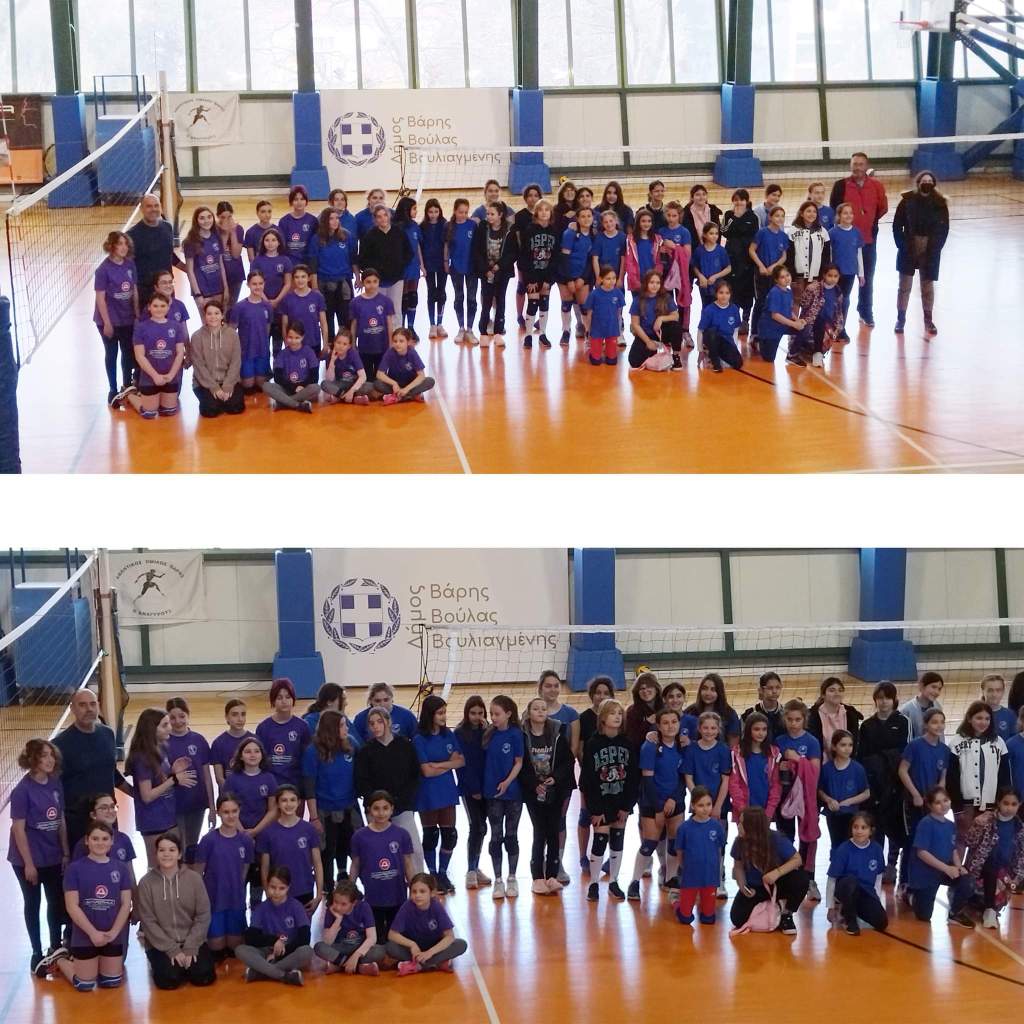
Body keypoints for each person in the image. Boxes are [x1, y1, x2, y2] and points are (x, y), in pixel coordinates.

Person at [34, 821, 132, 989]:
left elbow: (125, 904)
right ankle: (60, 960)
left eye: (105, 839)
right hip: (85, 935)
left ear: (112, 841)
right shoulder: (74, 869)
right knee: (85, 984)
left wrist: (114, 932)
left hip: (111, 934)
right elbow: (72, 906)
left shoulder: (121, 869)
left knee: (111, 982)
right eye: (95, 838)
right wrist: (92, 933)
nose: (100, 843)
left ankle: (96, 964)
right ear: (87, 841)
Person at [9, 739, 68, 973]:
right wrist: (29, 864)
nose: (50, 759)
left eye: (51, 755)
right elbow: (18, 829)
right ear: (32, 759)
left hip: (52, 856)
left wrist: (65, 852)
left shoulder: (55, 783)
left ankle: (55, 947)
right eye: (44, 755)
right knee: (33, 903)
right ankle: (36, 952)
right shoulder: (22, 791)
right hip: (27, 859)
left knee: (55, 901)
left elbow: (60, 819)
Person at [53, 688, 130, 852]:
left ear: (98, 706)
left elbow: (111, 772)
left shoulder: (107, 734)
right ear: (72, 708)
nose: (89, 709)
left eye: (92, 704)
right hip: (78, 823)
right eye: (82, 705)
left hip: (107, 816)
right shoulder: (60, 745)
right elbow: (54, 788)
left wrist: (138, 795)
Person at [137, 831, 216, 989]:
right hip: (161, 944)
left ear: (179, 854)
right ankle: (170, 966)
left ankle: (185, 965)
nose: (167, 854)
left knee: (204, 977)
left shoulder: (194, 879)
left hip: (191, 940)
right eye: (162, 850)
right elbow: (148, 921)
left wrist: (191, 946)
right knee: (169, 980)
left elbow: (203, 915)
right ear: (156, 854)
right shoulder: (146, 883)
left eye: (172, 850)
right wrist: (171, 949)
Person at [354, 705, 425, 871]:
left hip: (402, 807)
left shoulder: (405, 745)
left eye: (379, 721)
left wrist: (400, 801)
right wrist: (377, 804)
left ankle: (418, 882)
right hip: (376, 810)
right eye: (372, 723)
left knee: (414, 849)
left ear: (388, 722)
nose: (376, 726)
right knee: (380, 852)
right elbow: (362, 782)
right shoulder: (366, 751)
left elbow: (414, 776)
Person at [581, 698, 638, 903]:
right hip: (601, 802)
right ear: (602, 718)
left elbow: (633, 778)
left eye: (620, 713)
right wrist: (595, 809)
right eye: (612, 713)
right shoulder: (593, 743)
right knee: (600, 839)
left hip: (620, 801)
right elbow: (587, 779)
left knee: (617, 839)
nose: (617, 717)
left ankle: (613, 881)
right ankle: (594, 882)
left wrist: (627, 806)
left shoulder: (627, 743)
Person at [629, 707, 687, 902]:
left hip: (675, 801)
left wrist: (674, 799)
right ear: (658, 726)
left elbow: (682, 777)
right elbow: (647, 781)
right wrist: (659, 808)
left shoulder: (683, 746)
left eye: (674, 722)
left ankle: (670, 879)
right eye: (665, 723)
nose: (670, 726)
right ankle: (634, 882)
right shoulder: (650, 747)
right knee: (650, 843)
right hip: (652, 802)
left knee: (675, 842)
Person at [127, 707, 196, 867]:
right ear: (152, 729)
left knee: (175, 863)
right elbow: (147, 796)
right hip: (153, 820)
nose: (170, 728)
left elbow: (159, 780)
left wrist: (172, 771)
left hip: (168, 816)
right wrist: (174, 779)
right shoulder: (142, 758)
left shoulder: (162, 747)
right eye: (164, 725)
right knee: (157, 867)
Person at [302, 710, 362, 893]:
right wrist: (314, 818)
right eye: (342, 725)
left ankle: (353, 888)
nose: (346, 729)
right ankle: (328, 891)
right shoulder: (313, 751)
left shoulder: (351, 744)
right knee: (327, 852)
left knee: (356, 848)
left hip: (349, 807)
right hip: (325, 810)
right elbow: (309, 787)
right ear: (331, 728)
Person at [520, 696, 574, 895]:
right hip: (534, 791)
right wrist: (534, 784)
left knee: (554, 831)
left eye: (543, 708)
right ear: (529, 713)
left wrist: (555, 778)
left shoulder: (557, 733)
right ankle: (537, 877)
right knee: (539, 832)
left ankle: (552, 875)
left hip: (554, 789)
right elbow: (521, 765)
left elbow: (567, 761)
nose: (541, 711)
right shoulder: (523, 736)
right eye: (536, 708)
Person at [828, 152, 888, 328]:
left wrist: (867, 222)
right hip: (844, 244)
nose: (858, 167)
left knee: (866, 278)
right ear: (850, 165)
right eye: (854, 164)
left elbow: (882, 208)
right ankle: (836, 318)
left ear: (866, 166)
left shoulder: (876, 185)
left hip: (867, 241)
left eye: (861, 164)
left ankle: (865, 311)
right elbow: (834, 209)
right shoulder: (840, 185)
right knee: (839, 281)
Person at [857, 682, 910, 882]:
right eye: (880, 698)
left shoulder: (903, 722)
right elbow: (863, 756)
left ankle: (891, 865)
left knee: (895, 828)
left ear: (894, 700)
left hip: (895, 784)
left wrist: (885, 759)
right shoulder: (867, 725)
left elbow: (904, 752)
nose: (884, 702)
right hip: (875, 785)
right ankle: (876, 865)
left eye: (887, 697)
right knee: (876, 826)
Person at [411, 696, 463, 894]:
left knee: (450, 835)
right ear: (430, 714)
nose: (444, 716)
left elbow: (460, 761)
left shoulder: (448, 734)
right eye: (440, 713)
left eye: (444, 712)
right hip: (428, 792)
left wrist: (439, 765)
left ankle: (442, 873)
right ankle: (432, 875)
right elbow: (426, 772)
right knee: (431, 835)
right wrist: (448, 764)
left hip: (447, 790)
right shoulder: (419, 739)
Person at [730, 805, 808, 935]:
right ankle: (772, 907)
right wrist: (743, 886)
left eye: (742, 823)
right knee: (738, 918)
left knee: (801, 879)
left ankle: (786, 913)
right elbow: (738, 867)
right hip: (756, 887)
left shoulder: (777, 838)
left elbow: (797, 859)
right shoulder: (739, 842)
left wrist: (777, 873)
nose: (738, 826)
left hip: (777, 883)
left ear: (753, 827)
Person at [349, 790, 415, 938]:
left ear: (392, 809)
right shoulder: (360, 836)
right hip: (373, 896)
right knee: (377, 939)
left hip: (398, 895)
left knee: (396, 937)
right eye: (376, 808)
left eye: (385, 808)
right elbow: (355, 864)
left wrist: (414, 887)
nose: (381, 813)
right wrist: (350, 888)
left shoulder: (402, 834)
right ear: (369, 810)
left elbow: (408, 863)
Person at [906, 786, 975, 927]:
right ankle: (913, 895)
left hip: (942, 871)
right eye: (938, 802)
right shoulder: (926, 823)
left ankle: (955, 913)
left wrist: (959, 866)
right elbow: (921, 852)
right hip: (925, 875)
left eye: (945, 800)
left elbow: (953, 849)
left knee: (967, 881)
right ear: (930, 805)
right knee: (924, 916)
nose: (943, 805)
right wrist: (946, 868)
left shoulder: (950, 825)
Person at [774, 699, 822, 899]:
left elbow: (815, 772)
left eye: (798, 719)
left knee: (807, 838)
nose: (793, 723)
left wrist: (797, 760)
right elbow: (771, 769)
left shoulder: (811, 742)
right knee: (785, 836)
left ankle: (808, 878)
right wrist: (780, 767)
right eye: (790, 719)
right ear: (784, 719)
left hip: (806, 798)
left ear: (804, 720)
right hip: (785, 796)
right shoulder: (779, 741)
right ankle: (787, 878)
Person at [897, 706, 949, 892]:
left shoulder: (944, 750)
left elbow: (943, 777)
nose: (939, 726)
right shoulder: (915, 746)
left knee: (929, 844)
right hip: (914, 803)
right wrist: (915, 794)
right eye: (934, 722)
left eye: (942, 722)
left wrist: (940, 799)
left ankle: (924, 881)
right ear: (925, 724)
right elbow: (902, 771)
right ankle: (905, 882)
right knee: (913, 842)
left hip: (932, 804)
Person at [224, 738, 279, 908]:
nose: (252, 755)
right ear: (240, 756)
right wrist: (242, 832)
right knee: (240, 872)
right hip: (237, 834)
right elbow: (227, 808)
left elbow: (273, 810)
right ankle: (237, 907)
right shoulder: (233, 780)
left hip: (262, 834)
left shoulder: (269, 778)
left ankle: (256, 907)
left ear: (262, 755)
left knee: (258, 872)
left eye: (256, 751)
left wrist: (255, 831)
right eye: (248, 751)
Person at [892, 170, 948, 335]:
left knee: (927, 286)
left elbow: (944, 229)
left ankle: (928, 320)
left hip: (930, 247)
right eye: (924, 181)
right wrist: (902, 245)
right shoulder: (907, 201)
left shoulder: (940, 203)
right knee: (904, 285)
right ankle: (900, 319)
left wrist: (936, 248)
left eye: (930, 181)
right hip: (909, 245)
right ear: (918, 183)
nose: (927, 183)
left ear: (934, 184)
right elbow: (897, 226)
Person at [235, 865, 313, 984]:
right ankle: (284, 975)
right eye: (273, 887)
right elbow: (251, 937)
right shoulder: (261, 908)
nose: (276, 892)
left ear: (288, 888)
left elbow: (305, 938)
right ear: (267, 885)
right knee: (240, 950)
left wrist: (280, 954)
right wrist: (275, 940)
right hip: (266, 951)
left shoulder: (296, 907)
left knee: (307, 951)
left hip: (289, 951)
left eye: (282, 888)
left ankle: (261, 972)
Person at [947, 701, 1009, 846]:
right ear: (969, 718)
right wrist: (957, 808)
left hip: (990, 806)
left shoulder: (999, 742)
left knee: (987, 844)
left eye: (987, 718)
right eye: (979, 718)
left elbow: (1004, 777)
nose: (983, 722)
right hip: (965, 805)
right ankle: (958, 862)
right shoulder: (956, 742)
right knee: (962, 841)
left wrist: (999, 804)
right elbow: (952, 778)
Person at [963, 787, 1024, 929]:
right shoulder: (987, 820)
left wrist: (1016, 879)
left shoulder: (1019, 827)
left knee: (997, 892)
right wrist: (977, 825)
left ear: (1019, 805)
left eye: (1014, 804)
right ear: (998, 802)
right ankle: (988, 910)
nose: (1009, 808)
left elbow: (1021, 855)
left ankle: (987, 905)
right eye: (1006, 803)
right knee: (991, 867)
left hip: (1004, 871)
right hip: (981, 868)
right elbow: (969, 842)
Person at [165, 697, 216, 863]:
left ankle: (190, 875)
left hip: (197, 803)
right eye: (173, 717)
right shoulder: (164, 742)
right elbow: (159, 777)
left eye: (182, 716)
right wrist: (173, 775)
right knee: (178, 845)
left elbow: (207, 776)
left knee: (192, 846)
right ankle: (178, 875)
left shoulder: (198, 740)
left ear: (188, 716)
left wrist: (212, 806)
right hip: (175, 804)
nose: (178, 721)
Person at [483, 696, 524, 900]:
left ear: (508, 714)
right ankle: (498, 879)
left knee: (511, 835)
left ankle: (512, 877)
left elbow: (519, 762)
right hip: (492, 793)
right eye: (491, 714)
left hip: (512, 792)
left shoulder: (516, 734)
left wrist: (507, 782)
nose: (493, 717)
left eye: (497, 714)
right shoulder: (488, 734)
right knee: (496, 836)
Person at [256, 784, 323, 911]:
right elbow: (265, 868)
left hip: (304, 890)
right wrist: (268, 893)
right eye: (284, 800)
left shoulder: (308, 829)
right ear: (277, 804)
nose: (289, 804)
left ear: (299, 802)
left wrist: (319, 894)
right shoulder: (268, 833)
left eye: (292, 800)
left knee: (303, 924)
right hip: (278, 892)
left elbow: (317, 863)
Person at [386, 873, 468, 976]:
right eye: (414, 891)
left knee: (461, 944)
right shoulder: (407, 907)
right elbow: (392, 934)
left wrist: (430, 952)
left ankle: (417, 965)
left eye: (422, 891)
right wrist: (412, 945)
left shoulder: (436, 907)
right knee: (390, 947)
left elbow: (450, 936)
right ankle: (436, 963)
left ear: (432, 893)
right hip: (414, 950)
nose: (417, 895)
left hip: (434, 947)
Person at [94, 230, 139, 405]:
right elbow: (100, 298)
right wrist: (107, 323)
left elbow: (134, 290)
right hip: (108, 320)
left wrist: (136, 313)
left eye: (126, 244)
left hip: (126, 318)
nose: (124, 247)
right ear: (111, 246)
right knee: (111, 353)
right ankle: (112, 389)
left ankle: (127, 386)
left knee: (127, 352)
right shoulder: (103, 270)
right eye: (120, 244)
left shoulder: (130, 264)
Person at [125, 293, 186, 419]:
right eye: (155, 306)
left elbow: (180, 353)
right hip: (149, 377)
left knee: (169, 411)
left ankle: (156, 398)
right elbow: (139, 356)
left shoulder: (176, 326)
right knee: (149, 413)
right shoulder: (141, 327)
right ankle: (129, 394)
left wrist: (171, 375)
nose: (159, 309)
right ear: (149, 307)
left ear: (168, 307)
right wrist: (155, 376)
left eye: (163, 306)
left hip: (169, 376)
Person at [577, 677, 616, 875]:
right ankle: (583, 857)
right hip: (590, 776)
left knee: (610, 816)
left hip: (611, 778)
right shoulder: (584, 718)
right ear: (592, 695)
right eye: (598, 693)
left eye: (605, 693)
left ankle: (610, 857)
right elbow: (580, 749)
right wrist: (591, 770)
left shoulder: (616, 716)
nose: (601, 696)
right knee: (586, 815)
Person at [825, 811, 887, 935]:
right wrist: (830, 907)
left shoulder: (877, 849)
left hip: (865, 892)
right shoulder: (844, 849)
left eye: (863, 828)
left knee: (881, 922)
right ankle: (850, 919)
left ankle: (853, 910)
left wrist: (876, 900)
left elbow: (878, 878)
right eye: (856, 827)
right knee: (851, 882)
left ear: (871, 831)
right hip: (845, 889)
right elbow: (832, 879)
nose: (859, 831)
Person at [454, 695, 492, 890]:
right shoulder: (460, 733)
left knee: (483, 828)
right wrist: (474, 788)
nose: (477, 717)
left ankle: (476, 867)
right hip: (470, 789)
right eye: (473, 713)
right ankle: (470, 870)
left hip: (488, 788)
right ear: (466, 713)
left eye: (480, 713)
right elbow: (462, 766)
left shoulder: (488, 731)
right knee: (476, 826)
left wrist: (488, 731)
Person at [673, 786, 726, 925]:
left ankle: (705, 909)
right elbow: (679, 851)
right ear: (693, 806)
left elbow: (719, 850)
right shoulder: (684, 828)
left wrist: (716, 868)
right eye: (700, 805)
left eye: (708, 804)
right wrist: (684, 867)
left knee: (708, 918)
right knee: (685, 919)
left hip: (710, 875)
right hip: (690, 875)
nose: (705, 809)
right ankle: (677, 904)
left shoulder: (717, 826)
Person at [313, 879, 385, 975]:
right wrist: (338, 920)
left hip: (359, 947)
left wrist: (356, 955)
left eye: (343, 904)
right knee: (319, 947)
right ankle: (358, 967)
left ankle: (339, 966)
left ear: (354, 903)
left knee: (380, 951)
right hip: (340, 948)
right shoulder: (331, 910)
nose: (338, 907)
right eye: (336, 902)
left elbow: (372, 938)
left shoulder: (364, 907)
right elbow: (327, 942)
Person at [472, 201, 519, 346]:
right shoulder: (482, 228)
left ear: (500, 215)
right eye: (487, 214)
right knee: (486, 301)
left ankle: (498, 332)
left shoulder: (509, 230)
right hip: (486, 272)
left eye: (492, 214)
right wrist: (486, 269)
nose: (489, 216)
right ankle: (483, 333)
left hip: (502, 272)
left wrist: (499, 266)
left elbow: (513, 253)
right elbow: (477, 251)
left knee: (500, 300)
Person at [255, 678, 313, 794]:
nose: (284, 701)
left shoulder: (302, 727)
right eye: (279, 698)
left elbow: (307, 758)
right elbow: (259, 761)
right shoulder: (263, 728)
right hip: (272, 786)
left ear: (293, 699)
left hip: (295, 785)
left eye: (288, 697)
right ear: (273, 701)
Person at [358, 204, 412, 320]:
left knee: (395, 308)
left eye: (385, 215)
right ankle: (380, 331)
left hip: (397, 278)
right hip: (378, 281)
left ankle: (396, 331)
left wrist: (400, 266)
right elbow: (362, 259)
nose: (383, 219)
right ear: (375, 219)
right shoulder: (370, 236)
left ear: (389, 216)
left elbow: (409, 252)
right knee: (379, 309)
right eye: (379, 216)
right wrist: (373, 273)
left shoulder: (399, 232)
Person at [818, 729, 871, 850]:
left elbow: (866, 792)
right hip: (833, 814)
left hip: (852, 815)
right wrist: (829, 800)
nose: (847, 749)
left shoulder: (858, 769)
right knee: (836, 845)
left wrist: (849, 801)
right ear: (834, 747)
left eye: (850, 745)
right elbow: (820, 790)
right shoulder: (827, 769)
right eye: (843, 745)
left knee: (851, 845)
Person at [127, 193, 184, 304]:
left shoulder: (167, 227)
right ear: (141, 209)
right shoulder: (132, 235)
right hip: (145, 291)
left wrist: (188, 269)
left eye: (156, 205)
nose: (153, 209)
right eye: (149, 206)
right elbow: (127, 266)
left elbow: (169, 254)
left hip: (166, 287)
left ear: (160, 207)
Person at [749, 205, 791, 352]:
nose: (780, 218)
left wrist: (774, 267)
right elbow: (752, 250)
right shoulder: (762, 233)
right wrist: (761, 266)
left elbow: (784, 256)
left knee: (772, 304)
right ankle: (754, 334)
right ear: (770, 217)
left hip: (775, 275)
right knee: (760, 302)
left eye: (782, 216)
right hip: (761, 274)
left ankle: (768, 332)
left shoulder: (783, 236)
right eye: (777, 215)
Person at [192, 300, 245, 416]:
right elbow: (199, 366)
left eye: (216, 313)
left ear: (222, 315)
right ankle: (215, 401)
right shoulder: (196, 336)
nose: (213, 317)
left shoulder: (232, 334)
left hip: (228, 381)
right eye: (209, 314)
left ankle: (221, 401)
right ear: (205, 316)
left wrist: (228, 385)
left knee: (236, 408)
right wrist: (214, 387)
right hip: (205, 383)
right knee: (210, 411)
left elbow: (236, 362)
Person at [309, 208, 354, 344]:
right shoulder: (317, 239)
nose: (335, 221)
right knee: (327, 318)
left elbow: (352, 259)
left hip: (344, 283)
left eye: (337, 218)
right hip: (324, 283)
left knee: (345, 318)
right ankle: (329, 347)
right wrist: (315, 286)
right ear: (325, 221)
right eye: (331, 218)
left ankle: (345, 348)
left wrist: (357, 277)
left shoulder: (346, 236)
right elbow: (313, 264)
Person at [519, 199, 559, 349]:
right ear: (536, 213)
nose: (544, 212)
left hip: (546, 274)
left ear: (551, 213)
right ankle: (528, 335)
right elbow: (524, 256)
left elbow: (555, 257)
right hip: (532, 275)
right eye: (540, 210)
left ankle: (542, 334)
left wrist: (549, 279)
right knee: (533, 303)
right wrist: (531, 279)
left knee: (544, 302)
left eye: (547, 210)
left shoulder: (554, 231)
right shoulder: (529, 230)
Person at [729, 712, 781, 821]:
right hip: (743, 811)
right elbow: (734, 784)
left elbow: (776, 785)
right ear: (748, 730)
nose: (761, 733)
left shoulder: (774, 753)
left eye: (764, 729)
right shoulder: (737, 753)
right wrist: (742, 809)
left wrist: (769, 812)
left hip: (765, 811)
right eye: (756, 729)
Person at [721, 188, 759, 333]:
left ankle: (745, 320)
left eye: (742, 199)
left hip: (747, 260)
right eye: (736, 200)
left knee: (747, 291)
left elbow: (753, 235)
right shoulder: (729, 215)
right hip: (732, 258)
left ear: (747, 201)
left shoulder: (752, 217)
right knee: (733, 289)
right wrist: (735, 217)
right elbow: (724, 231)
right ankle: (734, 319)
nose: (739, 202)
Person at [791, 263, 844, 367]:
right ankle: (794, 352)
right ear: (824, 275)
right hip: (810, 321)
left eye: (835, 276)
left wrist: (837, 328)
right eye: (830, 275)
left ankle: (817, 352)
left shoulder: (838, 292)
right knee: (811, 327)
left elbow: (838, 312)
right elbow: (803, 303)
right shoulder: (813, 288)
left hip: (828, 324)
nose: (833, 279)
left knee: (828, 336)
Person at [627, 269, 681, 370]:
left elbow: (676, 315)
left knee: (676, 327)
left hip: (661, 333)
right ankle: (653, 352)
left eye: (657, 283)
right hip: (646, 334)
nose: (655, 285)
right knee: (634, 361)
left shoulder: (666, 297)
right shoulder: (638, 300)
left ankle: (675, 356)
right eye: (652, 282)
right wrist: (648, 342)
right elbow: (635, 324)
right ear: (646, 283)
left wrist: (661, 318)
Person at [556, 206, 594, 346]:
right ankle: (566, 331)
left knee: (584, 306)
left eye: (589, 216)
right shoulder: (570, 233)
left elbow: (590, 260)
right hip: (565, 274)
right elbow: (564, 258)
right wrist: (569, 280)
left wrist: (582, 278)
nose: (586, 219)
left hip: (582, 275)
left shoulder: (593, 235)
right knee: (566, 304)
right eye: (582, 216)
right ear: (577, 219)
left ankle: (588, 333)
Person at [348, 269, 395, 383]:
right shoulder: (355, 302)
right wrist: (353, 344)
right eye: (368, 282)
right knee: (367, 380)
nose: (372, 285)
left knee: (380, 379)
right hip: (364, 347)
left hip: (382, 346)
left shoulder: (386, 301)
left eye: (375, 281)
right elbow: (354, 325)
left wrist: (390, 344)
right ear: (363, 283)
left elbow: (389, 324)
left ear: (379, 282)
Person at [262, 321, 320, 412]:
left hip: (302, 389)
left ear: (302, 337)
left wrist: (302, 386)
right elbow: (277, 378)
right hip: (286, 388)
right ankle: (297, 405)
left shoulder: (309, 352)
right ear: (286, 337)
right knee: (266, 386)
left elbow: (314, 377)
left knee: (316, 388)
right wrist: (292, 387)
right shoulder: (282, 354)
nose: (293, 341)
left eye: (297, 338)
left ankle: (283, 402)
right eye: (290, 337)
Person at [827, 203, 864, 342]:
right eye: (845, 213)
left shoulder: (856, 232)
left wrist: (861, 273)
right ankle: (830, 327)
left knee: (845, 299)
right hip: (835, 274)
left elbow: (859, 254)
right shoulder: (833, 233)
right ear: (839, 216)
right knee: (833, 299)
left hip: (850, 272)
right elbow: (830, 254)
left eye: (851, 213)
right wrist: (829, 272)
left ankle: (841, 328)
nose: (848, 215)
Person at [251, 228, 293, 352]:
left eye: (274, 240)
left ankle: (277, 361)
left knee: (278, 340)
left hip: (280, 305)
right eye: (267, 240)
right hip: (262, 304)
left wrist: (276, 300)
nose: (270, 243)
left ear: (279, 242)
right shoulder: (257, 261)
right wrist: (266, 300)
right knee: (263, 339)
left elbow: (288, 283)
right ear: (263, 242)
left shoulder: (285, 260)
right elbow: (255, 283)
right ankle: (264, 361)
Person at [785, 201, 832, 311]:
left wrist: (822, 276)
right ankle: (794, 323)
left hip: (815, 277)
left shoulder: (823, 232)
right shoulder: (793, 231)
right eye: (808, 211)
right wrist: (791, 276)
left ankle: (807, 323)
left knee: (811, 304)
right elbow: (789, 255)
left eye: (814, 212)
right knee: (796, 302)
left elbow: (826, 257)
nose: (812, 214)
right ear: (801, 213)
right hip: (798, 276)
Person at [444, 198, 479, 344]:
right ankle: (461, 328)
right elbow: (446, 245)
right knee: (459, 297)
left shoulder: (472, 225)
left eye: (465, 212)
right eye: (460, 212)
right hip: (456, 267)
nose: (463, 215)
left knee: (471, 298)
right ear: (454, 211)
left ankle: (470, 329)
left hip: (472, 267)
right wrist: (446, 261)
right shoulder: (449, 226)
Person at [756, 266, 805, 366]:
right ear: (776, 280)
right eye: (782, 277)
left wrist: (797, 320)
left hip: (783, 325)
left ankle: (792, 354)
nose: (786, 279)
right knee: (769, 358)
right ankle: (758, 341)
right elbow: (775, 315)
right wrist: (793, 324)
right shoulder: (775, 292)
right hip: (770, 329)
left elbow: (789, 310)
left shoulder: (789, 291)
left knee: (804, 328)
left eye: (787, 275)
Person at [373, 328, 435, 405]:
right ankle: (409, 396)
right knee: (377, 384)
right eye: (395, 341)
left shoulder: (412, 353)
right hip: (395, 386)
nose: (397, 344)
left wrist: (406, 389)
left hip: (410, 384)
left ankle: (398, 396)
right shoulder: (390, 353)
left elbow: (421, 375)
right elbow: (379, 374)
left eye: (401, 341)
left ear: (408, 342)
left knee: (430, 381)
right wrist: (394, 383)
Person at [184, 206, 228, 315]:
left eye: (209, 217)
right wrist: (198, 294)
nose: (206, 221)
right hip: (203, 290)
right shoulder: (190, 241)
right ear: (196, 221)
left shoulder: (217, 237)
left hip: (218, 288)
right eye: (202, 218)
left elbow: (221, 264)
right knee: (207, 321)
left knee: (218, 319)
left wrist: (226, 287)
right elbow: (190, 271)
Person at [280, 264, 328, 359]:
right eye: (297, 277)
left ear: (309, 278)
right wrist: (286, 343)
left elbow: (323, 323)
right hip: (295, 344)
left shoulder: (317, 297)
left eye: (303, 277)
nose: (300, 280)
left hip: (313, 342)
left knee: (313, 368)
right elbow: (284, 324)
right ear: (293, 279)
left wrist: (325, 344)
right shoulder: (287, 299)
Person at [808, 676, 864, 758]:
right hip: (821, 762)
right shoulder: (812, 716)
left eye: (840, 690)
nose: (837, 693)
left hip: (845, 761)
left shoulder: (851, 715)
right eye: (832, 690)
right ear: (823, 695)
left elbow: (854, 744)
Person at [583, 265, 627, 366]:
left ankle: (609, 354)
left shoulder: (618, 293)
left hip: (611, 328)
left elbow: (619, 314)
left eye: (614, 278)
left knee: (612, 361)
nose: (612, 281)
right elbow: (589, 314)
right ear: (601, 279)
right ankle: (594, 353)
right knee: (595, 362)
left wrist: (618, 330)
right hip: (597, 328)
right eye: (608, 278)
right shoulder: (594, 294)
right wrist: (588, 329)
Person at [696, 279, 743, 373]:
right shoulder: (709, 310)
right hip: (712, 339)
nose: (724, 296)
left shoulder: (734, 309)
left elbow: (735, 330)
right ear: (716, 294)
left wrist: (733, 347)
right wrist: (700, 350)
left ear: (730, 294)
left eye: (727, 293)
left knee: (738, 363)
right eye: (721, 292)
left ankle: (718, 355)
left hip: (725, 341)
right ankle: (714, 360)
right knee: (712, 332)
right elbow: (700, 331)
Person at [394, 196, 424, 338]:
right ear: (406, 210)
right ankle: (401, 327)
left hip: (414, 266)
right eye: (414, 209)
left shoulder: (415, 226)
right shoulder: (397, 227)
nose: (416, 211)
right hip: (402, 267)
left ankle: (411, 327)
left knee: (413, 297)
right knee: (403, 297)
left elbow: (417, 246)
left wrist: (422, 265)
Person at [685, 673, 742, 745]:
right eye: (704, 688)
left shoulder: (729, 714)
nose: (708, 693)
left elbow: (733, 742)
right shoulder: (690, 711)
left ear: (719, 692)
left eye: (713, 689)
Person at [351, 683, 419, 743]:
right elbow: (356, 743)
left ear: (392, 699)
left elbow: (417, 739)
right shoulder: (360, 718)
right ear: (370, 701)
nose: (382, 704)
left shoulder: (407, 716)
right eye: (377, 701)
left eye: (386, 700)